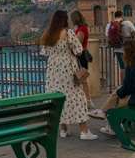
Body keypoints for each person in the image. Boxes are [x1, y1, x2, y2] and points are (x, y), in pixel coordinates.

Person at [41, 10, 98, 140]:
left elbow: (44, 51)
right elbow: (78, 51)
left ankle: (63, 130)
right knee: (77, 97)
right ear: (65, 20)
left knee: (58, 98)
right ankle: (84, 131)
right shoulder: (68, 33)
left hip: (53, 70)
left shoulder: (48, 34)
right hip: (67, 68)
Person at [90, 40, 135, 135]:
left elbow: (128, 87)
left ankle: (109, 122)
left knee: (118, 99)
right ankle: (103, 112)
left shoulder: (133, 65)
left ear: (128, 53)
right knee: (118, 93)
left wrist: (119, 93)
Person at [70, 10, 93, 109]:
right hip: (82, 55)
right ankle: (86, 101)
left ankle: (87, 101)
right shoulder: (82, 28)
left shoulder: (81, 29)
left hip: (81, 56)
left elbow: (78, 43)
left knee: (81, 79)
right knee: (81, 79)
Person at [105, 11, 135, 76]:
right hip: (127, 48)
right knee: (129, 66)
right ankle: (130, 83)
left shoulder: (109, 24)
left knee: (122, 68)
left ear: (115, 16)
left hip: (117, 49)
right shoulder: (128, 23)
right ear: (122, 15)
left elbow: (108, 37)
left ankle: (123, 84)